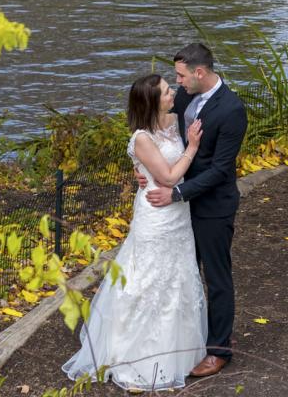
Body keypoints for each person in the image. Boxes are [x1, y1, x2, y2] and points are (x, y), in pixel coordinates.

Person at [63, 74, 207, 391]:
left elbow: (156, 166)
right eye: (167, 91)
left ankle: (179, 351)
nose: (173, 93)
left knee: (177, 277)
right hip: (156, 216)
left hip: (179, 216)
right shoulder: (142, 137)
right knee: (149, 279)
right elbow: (168, 177)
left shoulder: (175, 120)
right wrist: (193, 148)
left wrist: (139, 170)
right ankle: (137, 354)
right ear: (152, 102)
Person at [145, 42, 248, 379]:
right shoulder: (186, 96)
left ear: (199, 72)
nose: (177, 82)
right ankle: (190, 337)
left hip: (213, 207)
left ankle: (219, 350)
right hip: (179, 209)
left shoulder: (232, 110)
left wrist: (176, 193)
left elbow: (220, 170)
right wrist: (145, 169)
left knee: (216, 278)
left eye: (181, 76)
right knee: (184, 274)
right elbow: (160, 136)